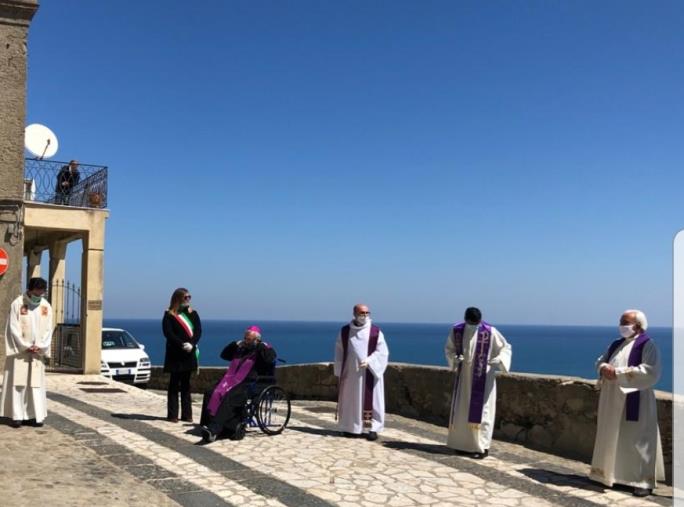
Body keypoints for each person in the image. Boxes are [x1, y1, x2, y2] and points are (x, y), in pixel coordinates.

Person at [589, 309, 665, 497]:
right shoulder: (616, 344)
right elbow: (601, 360)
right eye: (621, 321)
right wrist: (603, 367)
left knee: (638, 439)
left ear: (638, 325)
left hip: (635, 398)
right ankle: (612, 476)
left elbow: (650, 371)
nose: (622, 326)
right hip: (612, 398)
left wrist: (618, 373)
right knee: (613, 436)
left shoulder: (648, 345)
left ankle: (641, 482)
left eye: (626, 322)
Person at [444, 307, 512, 459]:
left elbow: (505, 348)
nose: (474, 326)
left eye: (476, 323)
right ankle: (461, 445)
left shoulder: (490, 331)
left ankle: (481, 447)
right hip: (463, 379)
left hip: (483, 379)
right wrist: (455, 358)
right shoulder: (457, 330)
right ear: (466, 320)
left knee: (483, 413)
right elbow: (449, 349)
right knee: (461, 411)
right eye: (471, 323)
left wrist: (500, 359)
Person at [200, 325, 276, 443]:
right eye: (245, 338)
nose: (246, 341)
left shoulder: (263, 349)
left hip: (251, 383)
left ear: (257, 340)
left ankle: (214, 429)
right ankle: (208, 423)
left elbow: (270, 359)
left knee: (230, 396)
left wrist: (260, 346)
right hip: (233, 380)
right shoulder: (242, 349)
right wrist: (235, 344)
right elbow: (224, 355)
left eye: (249, 339)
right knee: (211, 392)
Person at [0, 277, 53, 428]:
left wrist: (40, 346)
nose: (40, 295)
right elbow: (13, 327)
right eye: (37, 291)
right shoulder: (18, 304)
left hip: (36, 352)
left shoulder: (45, 306)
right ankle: (17, 416)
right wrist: (25, 346)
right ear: (30, 290)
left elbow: (48, 329)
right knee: (19, 383)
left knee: (35, 385)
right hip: (21, 353)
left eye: (42, 292)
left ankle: (33, 415)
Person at [334, 304, 389, 441]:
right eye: (361, 313)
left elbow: (382, 352)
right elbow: (339, 351)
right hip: (351, 374)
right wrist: (340, 370)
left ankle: (372, 428)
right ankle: (351, 428)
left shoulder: (375, 332)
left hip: (369, 372)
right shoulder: (345, 331)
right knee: (351, 401)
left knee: (373, 401)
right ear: (354, 314)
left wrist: (370, 361)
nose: (364, 315)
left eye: (367, 313)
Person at [162, 288, 201, 423]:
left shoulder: (193, 314)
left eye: (189, 297)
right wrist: (181, 344)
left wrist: (192, 344)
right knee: (174, 385)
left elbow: (198, 331)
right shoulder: (169, 315)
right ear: (178, 298)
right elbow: (168, 333)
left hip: (189, 353)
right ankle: (172, 415)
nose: (188, 300)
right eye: (186, 297)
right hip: (175, 354)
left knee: (186, 385)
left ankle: (187, 415)